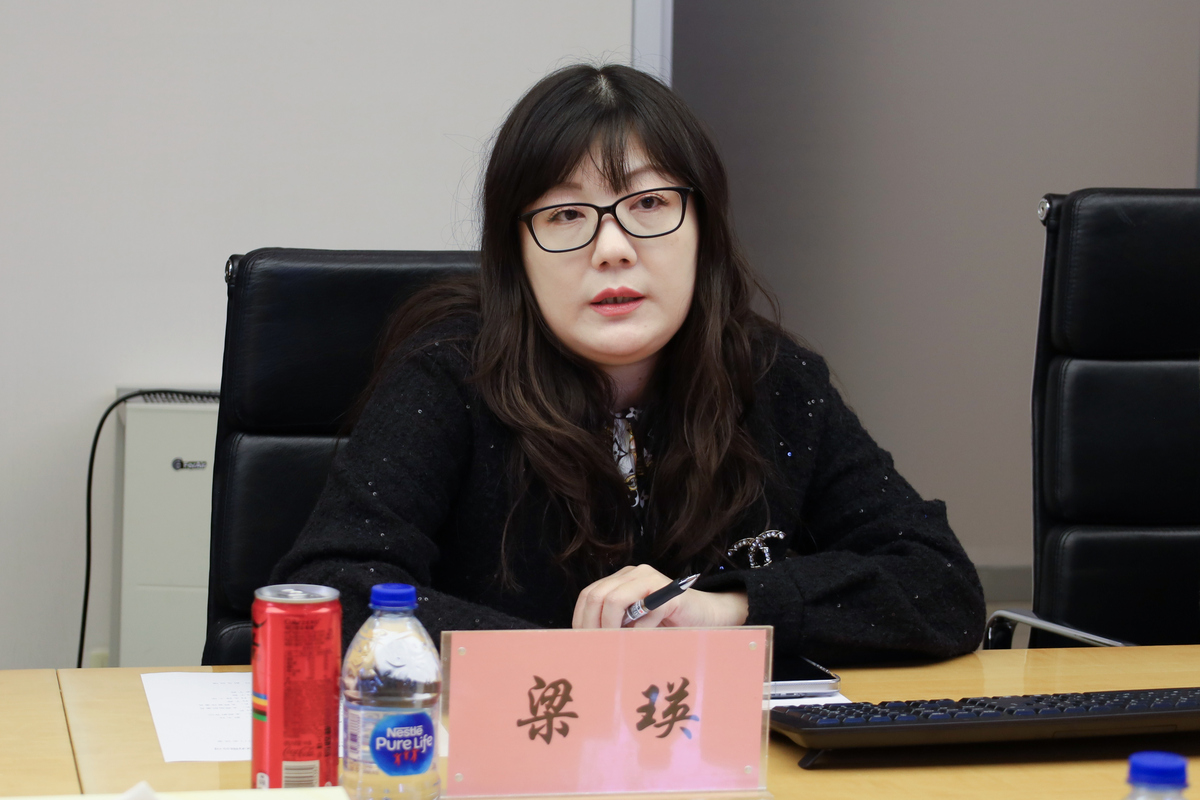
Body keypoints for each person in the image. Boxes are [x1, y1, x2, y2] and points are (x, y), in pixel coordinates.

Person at [272, 63, 986, 667]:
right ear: (515, 255)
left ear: (703, 229)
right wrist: (570, 664)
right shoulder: (450, 376)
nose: (612, 248)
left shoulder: (774, 378)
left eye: (648, 203)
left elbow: (939, 584)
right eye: (565, 215)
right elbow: (330, 589)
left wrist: (729, 610)